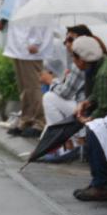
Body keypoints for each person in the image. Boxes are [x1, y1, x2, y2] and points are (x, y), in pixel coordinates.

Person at [0, 0, 54, 138]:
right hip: (20, 41)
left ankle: (39, 122)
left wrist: (36, 41)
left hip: (31, 43)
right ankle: (26, 118)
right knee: (24, 85)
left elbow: (41, 12)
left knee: (34, 84)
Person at [71, 36, 107, 202]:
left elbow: (105, 109)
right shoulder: (104, 65)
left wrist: (87, 120)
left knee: (94, 132)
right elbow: (100, 96)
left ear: (82, 58)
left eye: (74, 57)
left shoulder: (103, 74)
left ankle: (103, 185)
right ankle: (99, 183)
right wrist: (87, 102)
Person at [37, 25, 95, 161]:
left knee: (49, 98)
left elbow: (66, 93)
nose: (67, 43)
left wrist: (50, 81)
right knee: (52, 99)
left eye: (71, 39)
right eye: (66, 40)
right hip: (85, 105)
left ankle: (64, 143)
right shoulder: (84, 57)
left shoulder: (81, 60)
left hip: (85, 107)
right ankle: (65, 144)